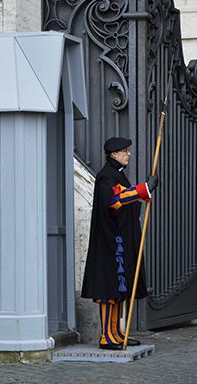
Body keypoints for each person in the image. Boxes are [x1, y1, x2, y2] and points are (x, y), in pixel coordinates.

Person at [81, 137, 159, 350]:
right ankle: (106, 336)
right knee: (108, 291)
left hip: (121, 242)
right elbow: (115, 201)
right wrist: (143, 189)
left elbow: (126, 198)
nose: (128, 154)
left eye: (127, 150)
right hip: (109, 244)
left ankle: (117, 332)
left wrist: (143, 193)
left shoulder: (118, 175)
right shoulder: (105, 177)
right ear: (113, 154)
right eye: (124, 151)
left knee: (119, 290)